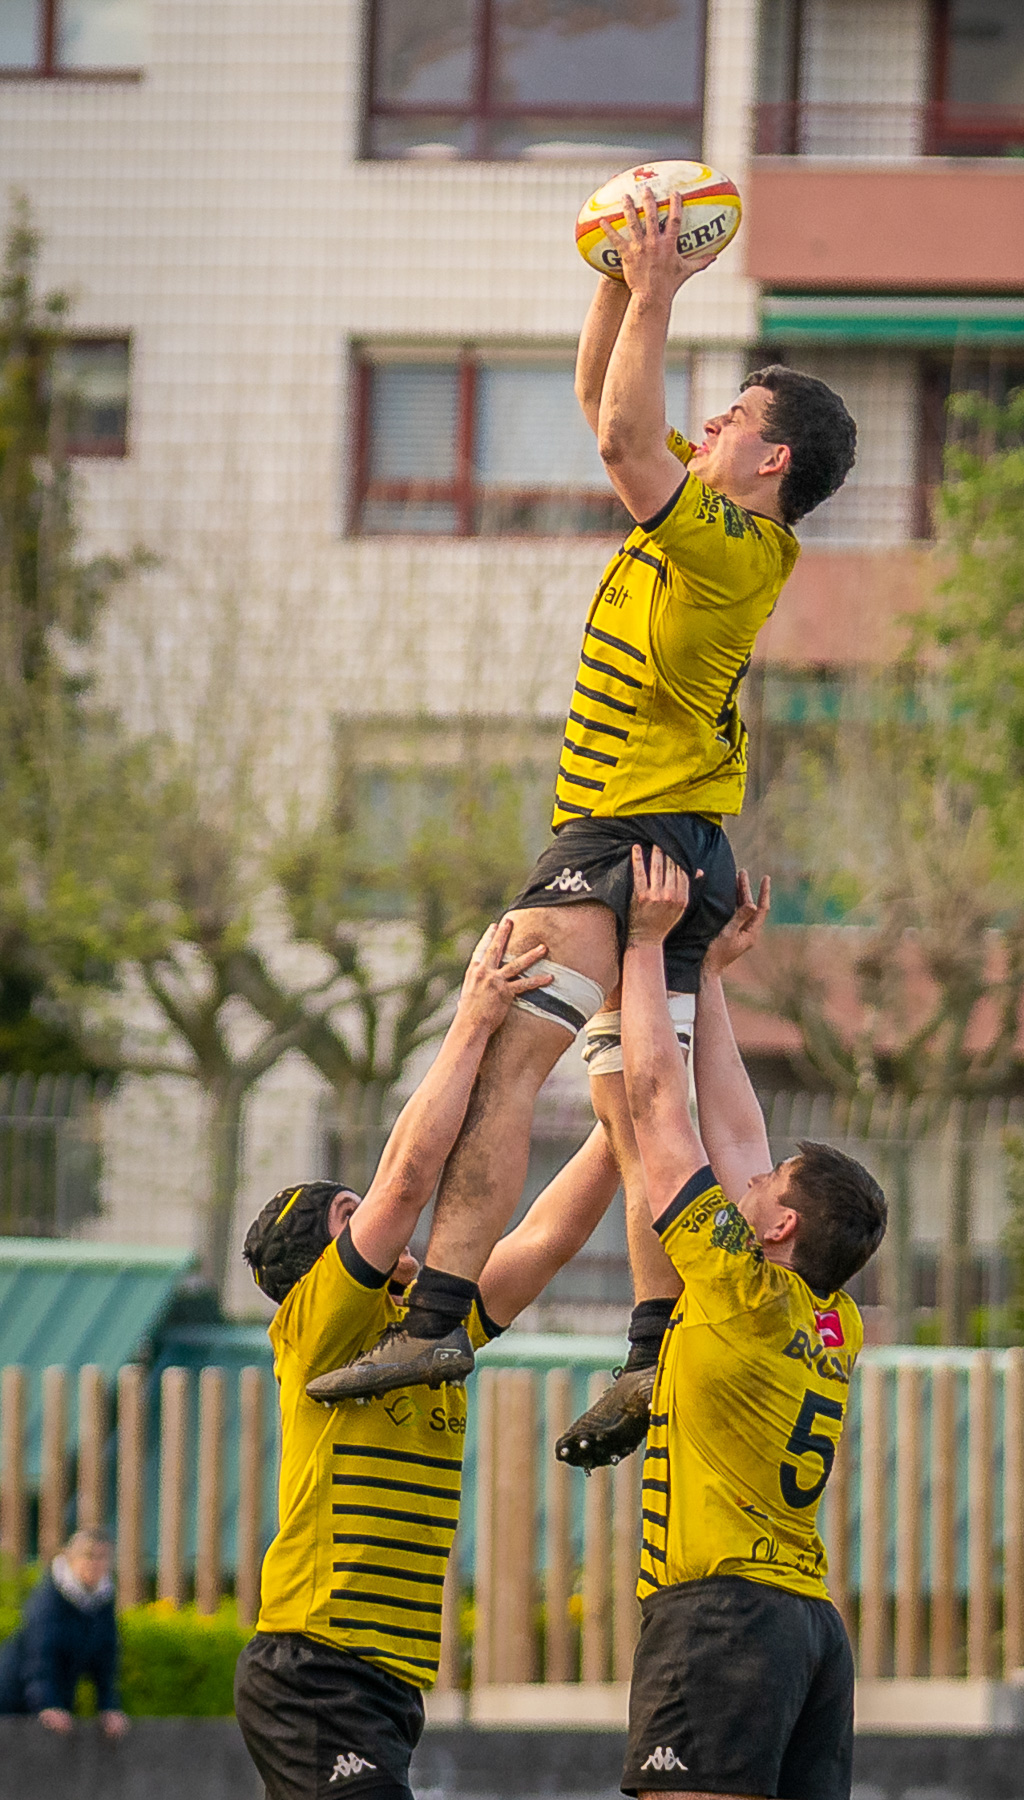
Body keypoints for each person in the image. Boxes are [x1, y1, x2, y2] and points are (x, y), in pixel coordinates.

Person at [312, 184, 857, 1413]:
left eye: (730, 417)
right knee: (628, 1109)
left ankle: (439, 1315)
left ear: (768, 460)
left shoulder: (728, 542)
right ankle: (650, 1346)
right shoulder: (711, 529)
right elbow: (598, 402)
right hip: (676, 853)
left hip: (620, 848)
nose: (701, 422)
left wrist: (661, 287)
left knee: (507, 1067)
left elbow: (620, 439)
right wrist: (617, 275)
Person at [234, 920, 624, 1800]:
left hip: (389, 1680)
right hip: (315, 1664)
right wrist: (473, 1019)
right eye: (348, 1211)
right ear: (320, 1262)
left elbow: (547, 1240)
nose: (371, 1209)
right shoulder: (317, 1323)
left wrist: (622, 1128)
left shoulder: (426, 1330)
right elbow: (411, 1175)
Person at [618, 845, 886, 1800]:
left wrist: (648, 950)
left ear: (777, 1228)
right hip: (807, 1628)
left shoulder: (736, 1287)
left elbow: (659, 1105)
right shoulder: (831, 1318)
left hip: (723, 1620)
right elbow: (738, 1140)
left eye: (765, 1190)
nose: (751, 1180)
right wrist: (710, 978)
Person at [0, 1527, 127, 1738]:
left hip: (56, 1705)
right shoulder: (49, 1600)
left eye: (102, 1557)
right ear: (70, 1558)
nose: (95, 1564)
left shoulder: (102, 1601)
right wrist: (47, 1704)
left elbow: (106, 1659)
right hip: (11, 1699)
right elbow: (40, 1657)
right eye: (88, 1556)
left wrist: (109, 1707)